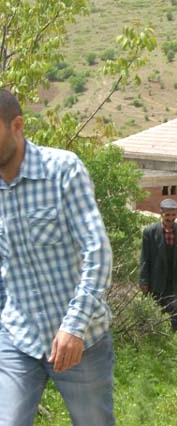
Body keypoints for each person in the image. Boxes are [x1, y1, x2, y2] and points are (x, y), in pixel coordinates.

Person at [0, 90, 114, 425]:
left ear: (17, 126)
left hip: (82, 341)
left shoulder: (62, 169)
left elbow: (98, 252)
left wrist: (74, 327)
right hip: (18, 338)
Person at [139, 198, 177, 333]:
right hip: (157, 284)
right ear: (161, 213)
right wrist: (144, 281)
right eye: (167, 215)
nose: (170, 218)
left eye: (173, 215)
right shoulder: (150, 232)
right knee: (157, 319)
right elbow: (145, 258)